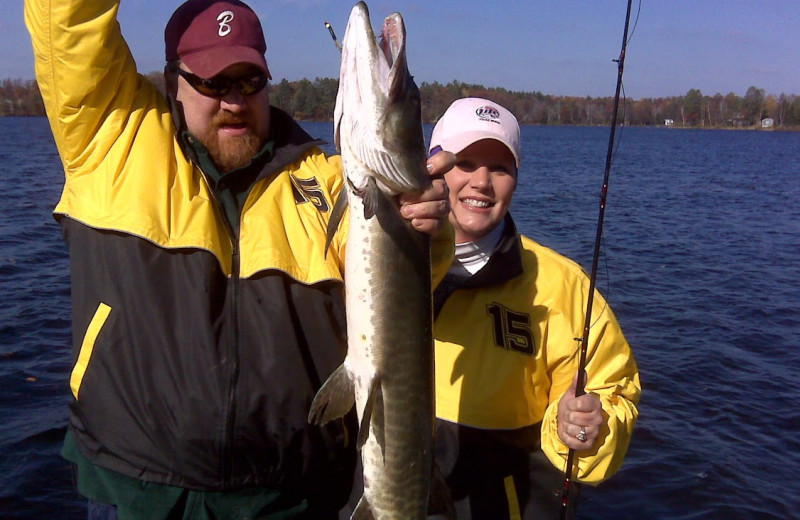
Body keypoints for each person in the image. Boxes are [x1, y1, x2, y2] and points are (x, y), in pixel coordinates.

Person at [24, 0, 454, 518]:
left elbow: (395, 296)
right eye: (212, 82)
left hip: (295, 499)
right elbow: (66, 22)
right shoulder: (112, 142)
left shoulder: (328, 179)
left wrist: (427, 228)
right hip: (140, 495)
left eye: (250, 81)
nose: (234, 100)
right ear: (172, 81)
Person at [427, 98, 641, 519]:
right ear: (433, 166)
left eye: (500, 168)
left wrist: (585, 428)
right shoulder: (378, 258)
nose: (482, 182)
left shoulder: (565, 288)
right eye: (465, 163)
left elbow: (614, 395)